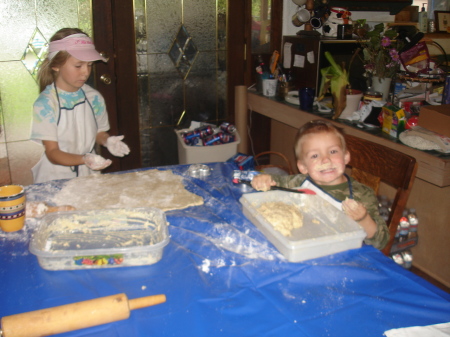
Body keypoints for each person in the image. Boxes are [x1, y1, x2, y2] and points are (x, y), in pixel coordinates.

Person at [251, 120, 389, 250]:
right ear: (303, 166)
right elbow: (276, 182)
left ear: (346, 157)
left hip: (342, 256)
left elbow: (380, 242)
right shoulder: (300, 182)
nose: (325, 159)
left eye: (333, 151)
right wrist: (264, 180)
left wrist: (363, 219)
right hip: (303, 246)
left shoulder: (362, 195)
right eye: (315, 156)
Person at [31, 28, 130, 183]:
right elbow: (52, 152)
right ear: (56, 66)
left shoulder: (94, 98)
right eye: (78, 66)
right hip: (54, 177)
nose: (85, 72)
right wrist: (84, 158)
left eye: (89, 65)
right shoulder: (45, 105)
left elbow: (98, 132)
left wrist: (107, 141)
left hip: (87, 174)